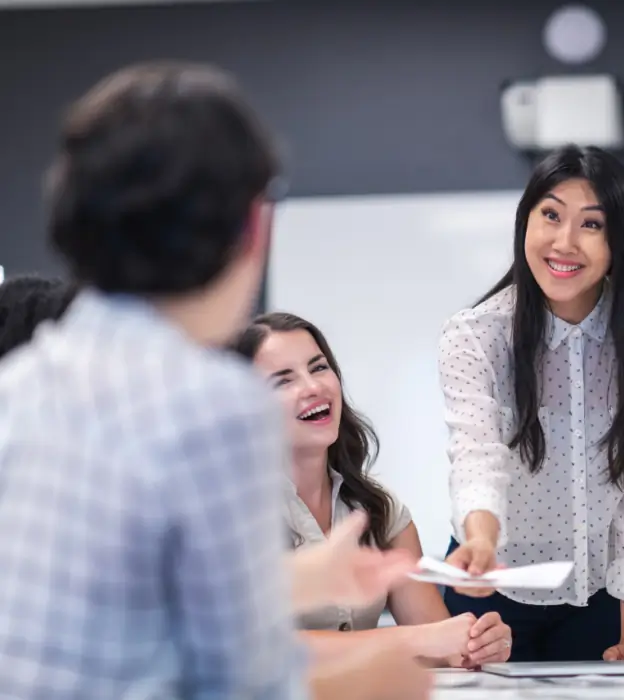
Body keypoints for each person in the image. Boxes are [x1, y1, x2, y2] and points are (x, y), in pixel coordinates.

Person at [0, 61, 425, 700]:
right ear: (254, 228)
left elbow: (123, 598)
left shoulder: (23, 378)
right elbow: (242, 681)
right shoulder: (213, 403)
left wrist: (304, 581)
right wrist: (377, 679)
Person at [438, 144, 624, 662]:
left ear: (621, 240)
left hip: (598, 591)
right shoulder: (476, 334)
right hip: (490, 585)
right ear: (525, 221)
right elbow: (476, 452)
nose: (564, 242)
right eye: (550, 215)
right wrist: (480, 539)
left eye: (591, 225)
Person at [233, 312, 514, 667]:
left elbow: (437, 643)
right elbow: (257, 650)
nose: (313, 387)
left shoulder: (382, 509)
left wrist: (478, 644)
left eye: (318, 368)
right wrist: (414, 639)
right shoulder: (227, 512)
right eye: (283, 381)